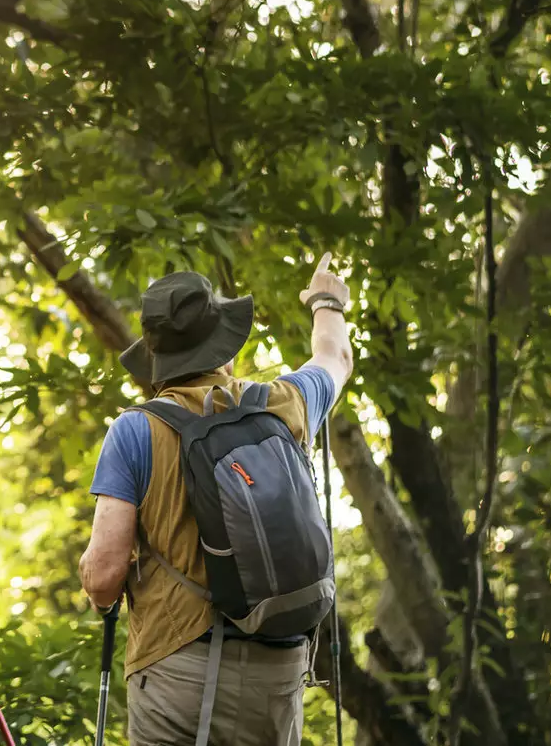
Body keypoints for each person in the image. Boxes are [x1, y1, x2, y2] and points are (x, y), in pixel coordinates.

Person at [79, 253, 353, 746]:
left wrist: (97, 586)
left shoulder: (136, 430)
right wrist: (325, 300)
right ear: (225, 348)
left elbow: (103, 576)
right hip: (277, 669)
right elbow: (334, 358)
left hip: (177, 672)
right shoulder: (286, 402)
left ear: (159, 359)